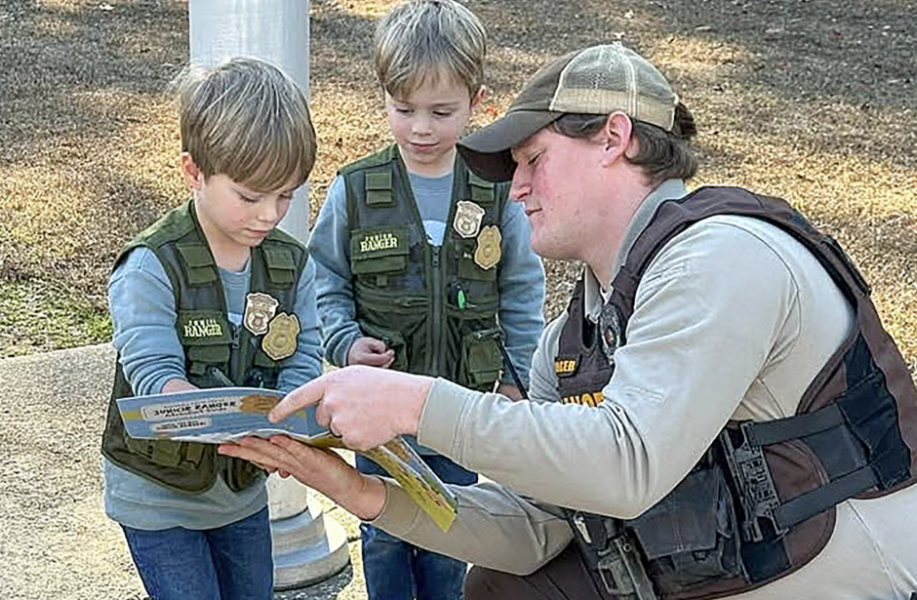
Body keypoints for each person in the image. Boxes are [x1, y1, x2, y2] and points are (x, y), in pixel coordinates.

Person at [220, 43, 917, 600]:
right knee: (503, 587)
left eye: (532, 160)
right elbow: (536, 530)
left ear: (615, 137)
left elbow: (626, 465)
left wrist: (415, 402)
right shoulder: (571, 338)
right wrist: (363, 493)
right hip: (737, 566)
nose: (514, 188)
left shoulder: (722, 256)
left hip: (851, 571)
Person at [307, 1, 545, 598]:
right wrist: (343, 342)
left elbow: (521, 287)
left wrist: (520, 381)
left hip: (461, 404)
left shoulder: (496, 189)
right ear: (384, 96)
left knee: (454, 523)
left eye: (442, 112)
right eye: (403, 109)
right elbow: (321, 280)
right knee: (385, 529)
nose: (421, 128)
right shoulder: (357, 189)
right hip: (380, 410)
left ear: (477, 100)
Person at [100, 57, 323, 600]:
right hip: (158, 495)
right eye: (251, 195)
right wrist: (203, 412)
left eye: (286, 194)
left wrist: (293, 424)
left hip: (241, 492)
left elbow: (303, 356)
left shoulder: (293, 265)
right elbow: (154, 376)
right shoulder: (152, 265)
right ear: (193, 171)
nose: (270, 214)